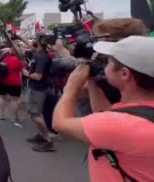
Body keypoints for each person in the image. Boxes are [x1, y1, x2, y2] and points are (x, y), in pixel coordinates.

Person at [53, 36, 154, 182]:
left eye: (108, 62)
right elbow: (105, 114)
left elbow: (60, 122)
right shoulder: (136, 116)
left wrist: (71, 87)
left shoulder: (119, 125)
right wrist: (92, 82)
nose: (103, 66)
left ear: (124, 74)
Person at [22, 36, 54, 152]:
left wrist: (27, 74)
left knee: (36, 116)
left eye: (35, 39)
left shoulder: (41, 57)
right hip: (37, 88)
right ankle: (41, 135)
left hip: (38, 89)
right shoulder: (41, 53)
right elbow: (31, 46)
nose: (33, 40)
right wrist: (19, 37)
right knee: (34, 114)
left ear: (39, 43)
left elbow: (38, 76)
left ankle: (48, 140)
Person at [0, 47, 24, 127]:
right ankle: (15, 117)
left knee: (1, 97)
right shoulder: (16, 59)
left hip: (2, 81)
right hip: (14, 82)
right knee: (14, 99)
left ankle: (1, 115)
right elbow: (21, 70)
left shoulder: (1, 60)